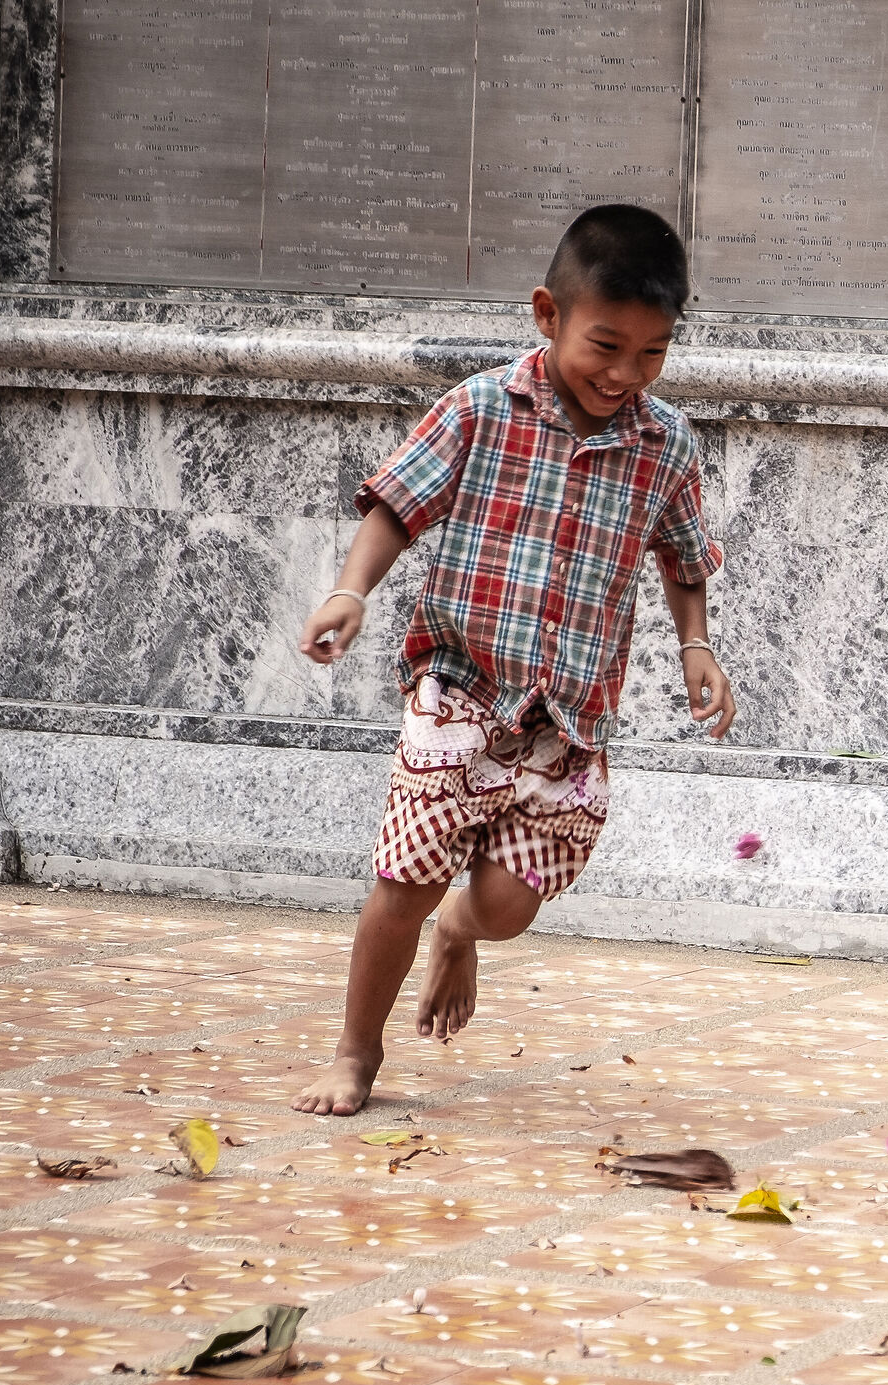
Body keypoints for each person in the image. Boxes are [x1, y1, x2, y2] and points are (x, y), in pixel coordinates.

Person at [287, 204, 735, 1117]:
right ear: (548, 315)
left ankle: (461, 930)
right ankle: (356, 1053)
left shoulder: (667, 447)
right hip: (460, 686)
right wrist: (351, 591)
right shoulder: (479, 409)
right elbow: (398, 509)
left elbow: (683, 561)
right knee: (404, 881)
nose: (625, 374)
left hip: (566, 715)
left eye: (653, 354)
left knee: (505, 904)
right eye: (606, 345)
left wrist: (696, 645)